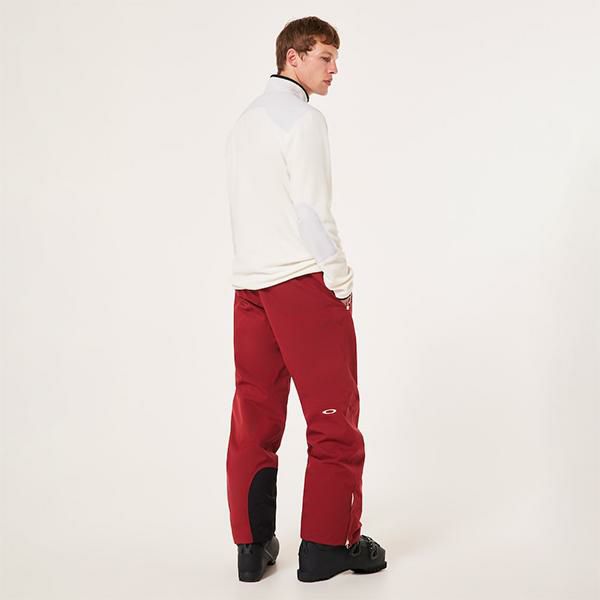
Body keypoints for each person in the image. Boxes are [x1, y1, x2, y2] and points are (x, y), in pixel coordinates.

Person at [224, 16, 387, 583]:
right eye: (325, 56)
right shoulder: (303, 119)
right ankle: (327, 546)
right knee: (333, 416)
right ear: (292, 58)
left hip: (251, 287)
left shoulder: (245, 121)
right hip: (301, 283)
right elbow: (312, 213)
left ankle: (251, 549)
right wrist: (340, 280)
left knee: (254, 416)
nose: (335, 68)